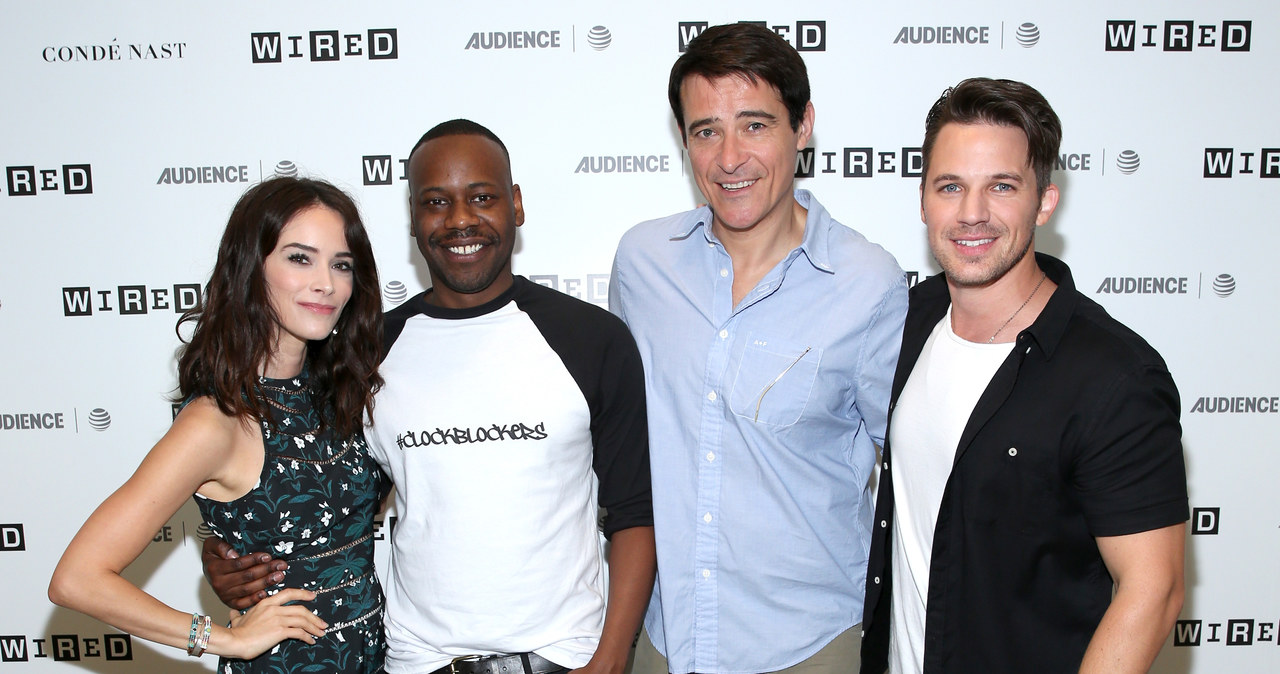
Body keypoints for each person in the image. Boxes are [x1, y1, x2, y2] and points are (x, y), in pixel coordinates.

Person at [204, 119, 657, 674]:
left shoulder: (592, 339)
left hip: (565, 658)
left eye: (482, 197)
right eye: (436, 202)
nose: (460, 219)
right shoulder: (364, 353)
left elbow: (635, 512)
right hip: (418, 663)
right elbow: (322, 499)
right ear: (414, 220)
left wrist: (611, 661)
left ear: (515, 204)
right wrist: (226, 554)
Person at [860, 78, 1188, 673]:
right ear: (923, 200)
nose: (972, 214)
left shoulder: (1114, 376)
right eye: (951, 186)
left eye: (1002, 187)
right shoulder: (910, 318)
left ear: (1044, 201)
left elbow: (1154, 591)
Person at [611, 23, 907, 674]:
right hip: (669, 642)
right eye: (705, 130)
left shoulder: (867, 283)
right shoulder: (642, 264)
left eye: (754, 125)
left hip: (809, 645)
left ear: (803, 126)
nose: (729, 158)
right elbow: (619, 445)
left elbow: (917, 474)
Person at [49, 176, 388, 672]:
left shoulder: (339, 391)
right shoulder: (217, 420)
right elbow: (77, 578)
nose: (327, 283)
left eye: (342, 265)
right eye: (300, 258)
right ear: (251, 269)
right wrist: (219, 640)